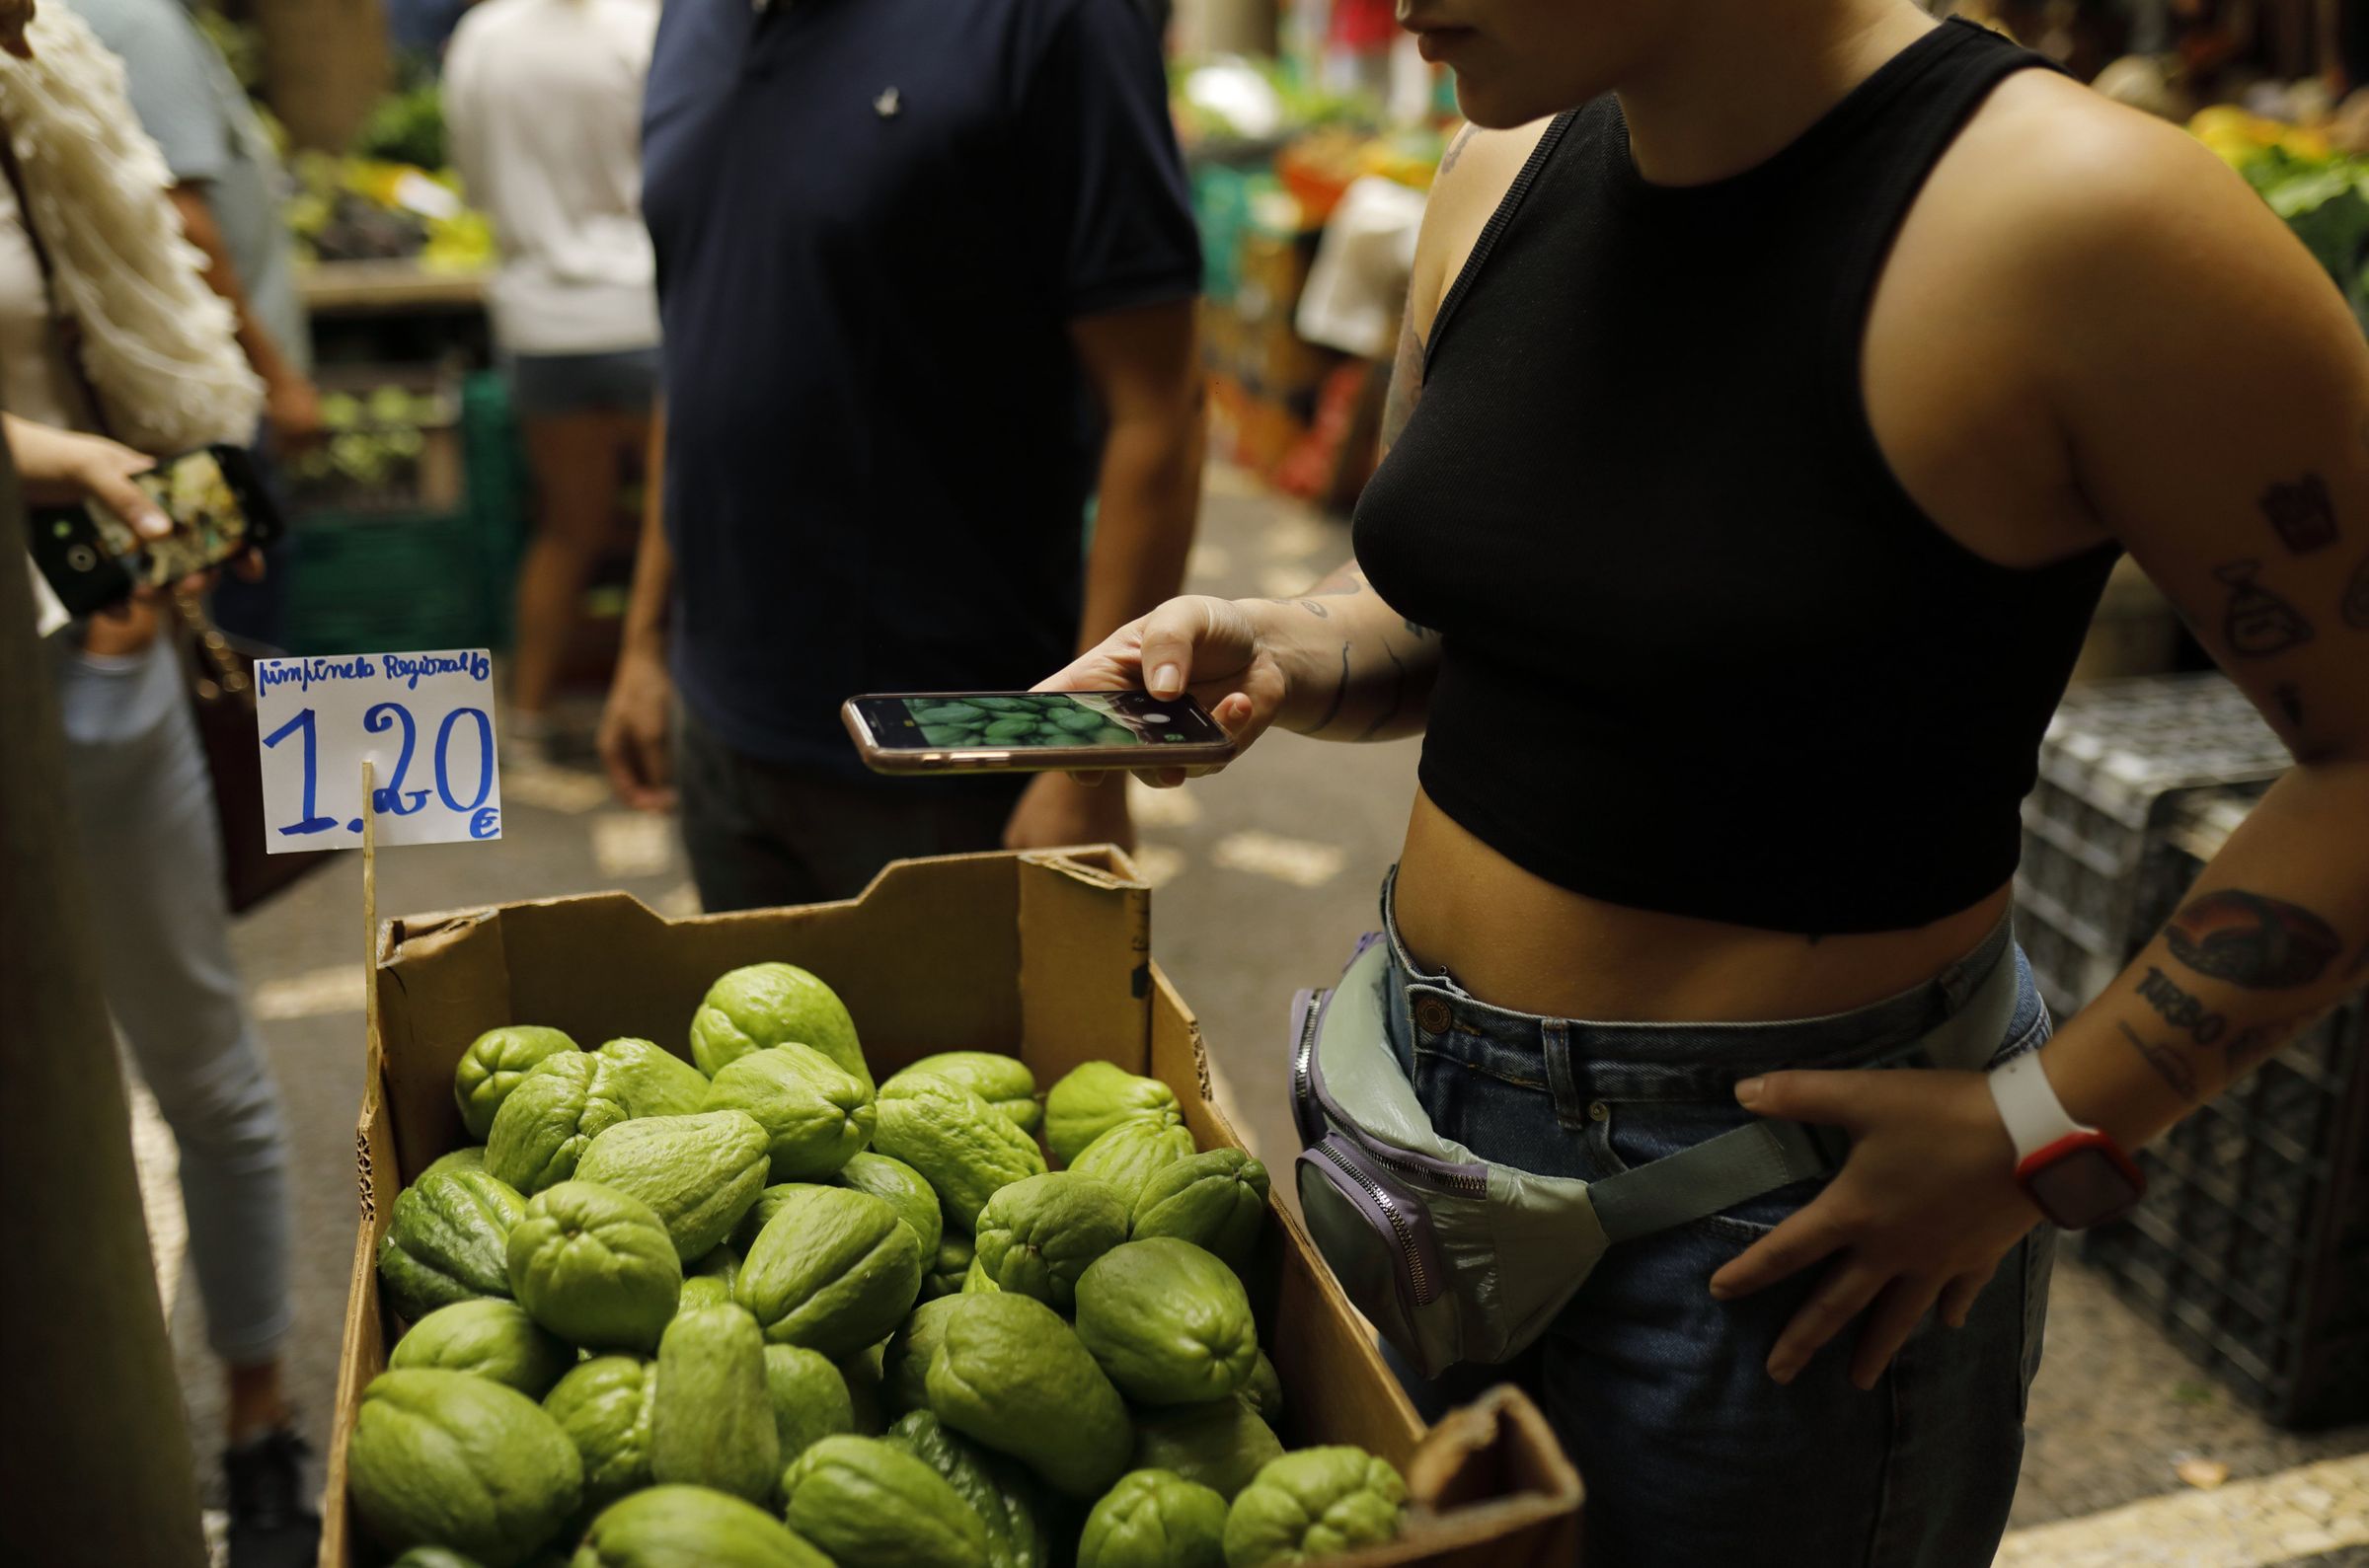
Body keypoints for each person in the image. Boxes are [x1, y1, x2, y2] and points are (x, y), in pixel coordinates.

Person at [1041, 2, 2369, 1563]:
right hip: (1409, 1128)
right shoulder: (1501, 162)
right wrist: (1287, 645)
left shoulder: (2085, 220)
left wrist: (2046, 1127)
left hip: (1775, 1229)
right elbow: (1464, 611)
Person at [601, 0, 1206, 908]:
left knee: (961, 1052)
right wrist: (646, 643)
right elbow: (697, 342)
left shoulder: (1054, 22)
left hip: (951, 751)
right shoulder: (691, 18)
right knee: (753, 1042)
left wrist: (1086, 762)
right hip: (719, 725)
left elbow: (1159, 409)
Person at [0, 8, 311, 1565]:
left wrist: (158, 503)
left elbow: (151, 293)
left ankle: (259, 1418)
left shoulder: (57, 71)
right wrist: (32, 448)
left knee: (201, 1057)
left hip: (89, 655)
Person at [64, 0, 321, 647]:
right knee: (226, 639)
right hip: (203, 403)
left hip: (178, 390)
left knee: (193, 626)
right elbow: (182, 218)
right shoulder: (138, 21)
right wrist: (275, 375)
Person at [445, 0, 662, 762]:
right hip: (645, 307)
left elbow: (470, 177)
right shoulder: (646, 26)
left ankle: (529, 717)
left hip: (538, 317)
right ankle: (681, 719)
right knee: (678, 528)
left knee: (568, 525)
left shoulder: (482, 37)